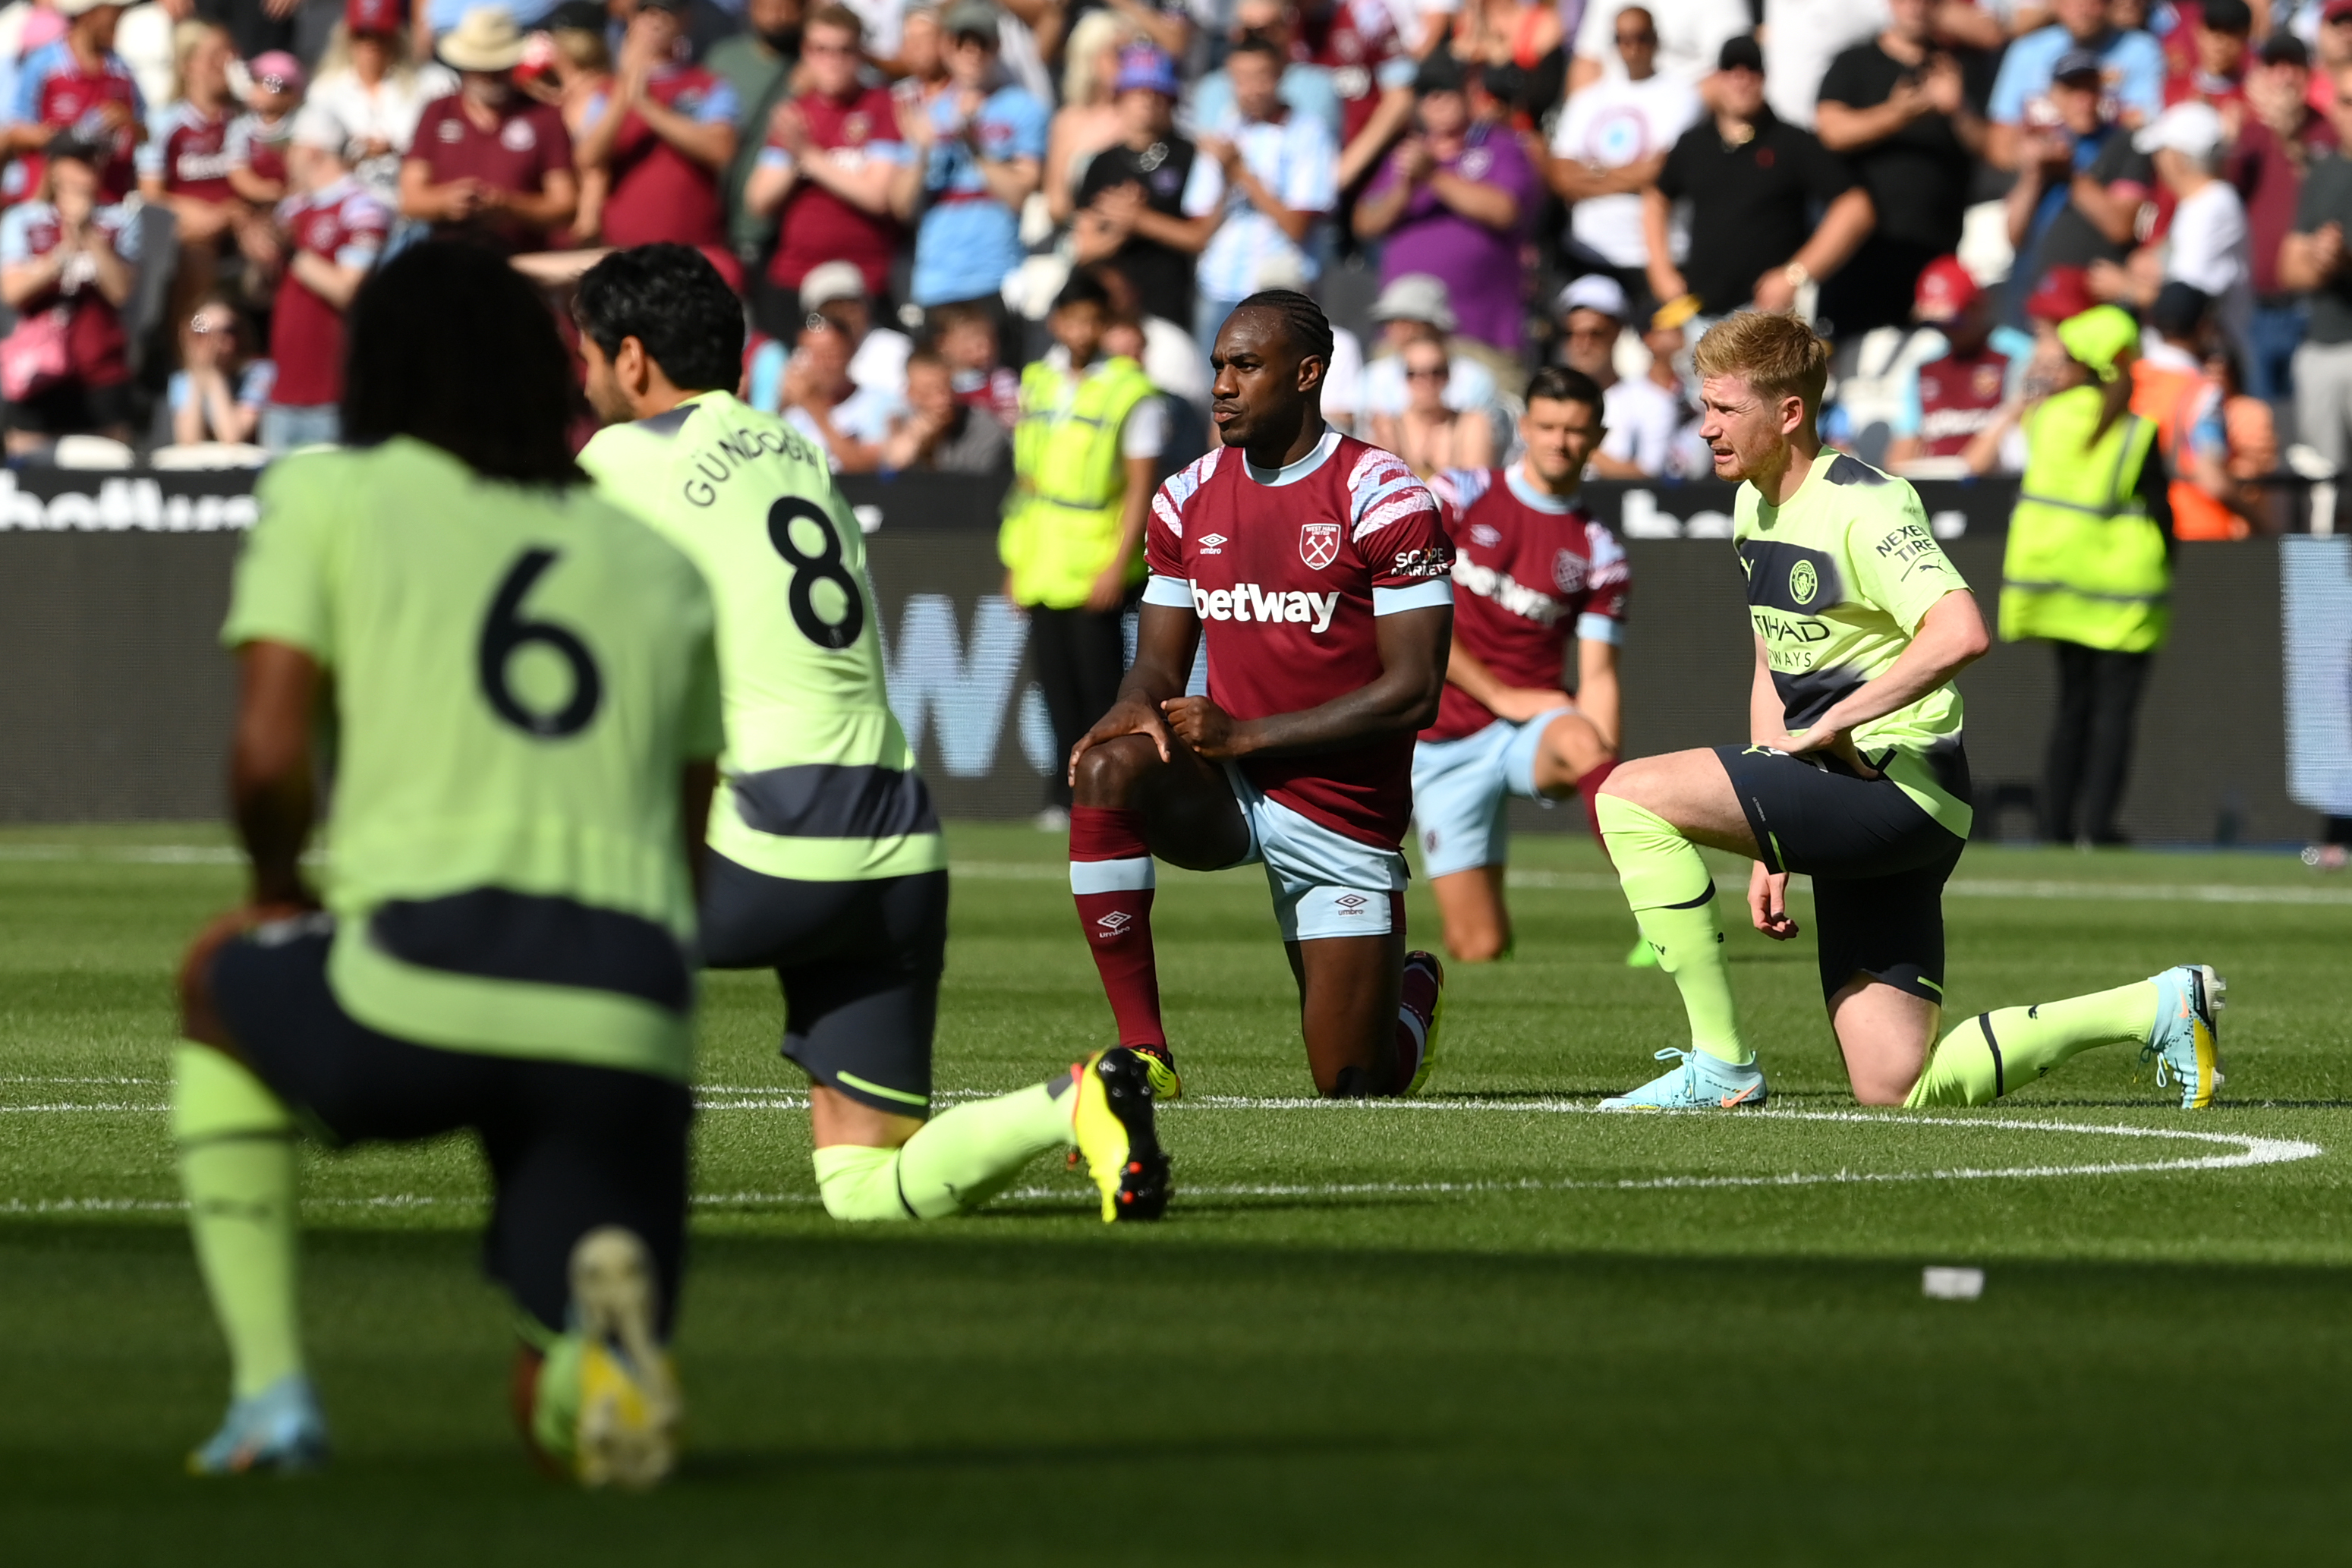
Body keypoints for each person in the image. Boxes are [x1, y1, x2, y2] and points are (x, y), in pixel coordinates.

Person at [172, 241, 724, 1485]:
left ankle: (272, 1399)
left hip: (415, 972)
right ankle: (587, 1346)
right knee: (554, 1394)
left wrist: (273, 895)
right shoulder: (661, 568)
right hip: (623, 1007)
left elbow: (267, 756)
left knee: (215, 978)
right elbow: (687, 838)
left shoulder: (328, 496)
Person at [571, 243, 1170, 1227]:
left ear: (631, 360)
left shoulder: (619, 459)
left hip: (773, 836)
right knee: (864, 1189)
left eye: (588, 354)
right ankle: (1078, 1102)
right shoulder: (794, 449)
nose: (585, 376)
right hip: (895, 845)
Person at [1588, 307, 2224, 1115]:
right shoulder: (1753, 503)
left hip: (1895, 789)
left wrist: (1834, 720)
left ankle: (1721, 1063)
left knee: (1628, 795)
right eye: (1704, 406)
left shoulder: (1865, 501)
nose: (1706, 426)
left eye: (1723, 408)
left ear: (1789, 413)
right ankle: (2158, 1005)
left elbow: (1961, 629)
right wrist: (1767, 847)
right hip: (1854, 797)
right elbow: (1770, 660)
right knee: (1895, 1086)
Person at [1065, 288, 1453, 1102]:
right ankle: (1146, 1053)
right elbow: (1158, 667)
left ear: (1307, 374)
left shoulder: (1383, 494)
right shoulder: (1185, 495)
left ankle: (1412, 991)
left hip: (1339, 810)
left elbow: (1414, 690)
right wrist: (1131, 703)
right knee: (1108, 769)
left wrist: (1247, 734)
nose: (1222, 386)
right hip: (1227, 790)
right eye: (1217, 367)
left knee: (1354, 1084)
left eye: (1246, 366)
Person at [1410, 366, 1628, 965]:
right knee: (1479, 946)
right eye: (1549, 426)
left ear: (1598, 437)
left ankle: (1649, 895)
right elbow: (1413, 625)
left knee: (1585, 739)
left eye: (1576, 430)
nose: (1560, 441)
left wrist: (1606, 769)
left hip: (1524, 732)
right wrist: (1500, 694)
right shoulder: (1455, 495)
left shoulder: (1599, 548)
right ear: (1526, 426)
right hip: (1439, 743)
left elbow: (1600, 675)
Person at [2000, 304, 2176, 849]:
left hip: (2054, 588)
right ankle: (2095, 829)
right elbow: (2162, 517)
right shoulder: (2133, 431)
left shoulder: (2045, 418)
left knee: (2070, 709)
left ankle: (2053, 827)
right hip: (2122, 593)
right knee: (2113, 717)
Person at [1001, 269, 1162, 825]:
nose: (1080, 330)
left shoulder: (1128, 389)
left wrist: (1119, 560)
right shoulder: (1037, 383)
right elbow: (1026, 482)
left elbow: (1140, 484)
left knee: (1099, 688)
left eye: (1092, 320)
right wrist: (1016, 559)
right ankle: (1060, 794)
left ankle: (1108, 789)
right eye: (1071, 319)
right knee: (1052, 686)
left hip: (1095, 553)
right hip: (1044, 555)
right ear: (1055, 322)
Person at [1644, 35, 1875, 327]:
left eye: (1751, 70)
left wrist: (1795, 273)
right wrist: (1661, 270)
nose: (1741, 80)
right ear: (1717, 78)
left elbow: (1856, 207)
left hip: (1765, 320)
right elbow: (1656, 198)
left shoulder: (1791, 142)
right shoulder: (1694, 144)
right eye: (1731, 71)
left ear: (1764, 78)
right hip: (1699, 314)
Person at [1812, 0, 1990, 339]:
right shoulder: (1855, 60)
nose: (1916, 7)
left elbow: (1992, 148)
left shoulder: (1958, 66)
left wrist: (1957, 109)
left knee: (1927, 364)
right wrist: (1898, 114)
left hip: (1936, 254)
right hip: (1863, 253)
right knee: (1853, 364)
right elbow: (1831, 130)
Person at [1350, 50, 1534, 357]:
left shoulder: (1501, 146)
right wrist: (1405, 188)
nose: (1437, 100)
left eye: (1446, 90)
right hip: (1403, 330)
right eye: (1427, 93)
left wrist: (1434, 176)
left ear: (1469, 93)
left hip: (1478, 331)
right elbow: (1365, 222)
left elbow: (1506, 210)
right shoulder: (1405, 157)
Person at [745, 4, 906, 342]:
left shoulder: (882, 106)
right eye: (821, 50)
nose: (832, 60)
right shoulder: (796, 113)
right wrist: (795, 159)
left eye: (844, 50)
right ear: (806, 52)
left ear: (861, 53)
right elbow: (759, 199)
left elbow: (878, 195)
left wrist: (808, 156)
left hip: (864, 280)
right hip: (795, 278)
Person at [1176, 35, 1338, 354]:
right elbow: (1200, 224)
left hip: (1278, 286)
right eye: (1241, 78)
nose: (1252, 88)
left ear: (1280, 75)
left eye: (1261, 76)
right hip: (1219, 284)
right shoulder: (1224, 131)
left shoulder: (1308, 133)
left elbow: (1297, 225)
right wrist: (1226, 181)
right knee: (1217, 392)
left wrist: (1240, 173)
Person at [892, 0, 1045, 314]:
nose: (972, 52)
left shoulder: (1024, 108)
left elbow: (1018, 195)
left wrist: (973, 146)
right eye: (962, 41)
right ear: (947, 47)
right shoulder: (924, 114)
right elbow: (901, 207)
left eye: (982, 43)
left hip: (997, 274)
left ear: (997, 47)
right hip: (936, 278)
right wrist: (921, 152)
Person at [1546, 4, 1697, 311]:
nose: (1632, 47)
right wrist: (1629, 176)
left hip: (1654, 257)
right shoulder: (1587, 99)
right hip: (1589, 253)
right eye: (1623, 39)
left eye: (1640, 37)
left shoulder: (1681, 96)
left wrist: (1591, 173)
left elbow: (1659, 170)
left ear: (1655, 40)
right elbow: (1560, 176)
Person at [573, 0, 738, 272]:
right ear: (630, 20)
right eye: (644, 10)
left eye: (666, 10)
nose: (655, 19)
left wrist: (648, 105)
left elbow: (721, 149)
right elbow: (587, 157)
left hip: (694, 249)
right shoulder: (605, 92)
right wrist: (626, 92)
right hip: (625, 253)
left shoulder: (709, 85)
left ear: (685, 19)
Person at [0, 133, 137, 456]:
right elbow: (13, 291)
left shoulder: (121, 220)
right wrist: (62, 254)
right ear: (56, 169)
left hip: (102, 369)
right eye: (79, 160)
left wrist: (87, 231)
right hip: (38, 372)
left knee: (109, 471)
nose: (91, 167)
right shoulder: (24, 220)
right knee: (31, 475)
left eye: (95, 158)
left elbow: (120, 291)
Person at [399, 7, 578, 254]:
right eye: (481, 68)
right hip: (449, 261)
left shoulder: (544, 116)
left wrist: (509, 207)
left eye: (498, 67)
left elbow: (566, 205)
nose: (490, 76)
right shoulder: (438, 111)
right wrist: (448, 202)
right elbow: (410, 198)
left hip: (521, 262)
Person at [262, 109, 389, 452]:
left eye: (290, 149)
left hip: (332, 393)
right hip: (283, 392)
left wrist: (291, 252)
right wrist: (258, 256)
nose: (285, 160)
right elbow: (264, 292)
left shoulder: (362, 208)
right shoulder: (291, 210)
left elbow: (347, 290)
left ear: (312, 151)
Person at [2097, 100, 2251, 365]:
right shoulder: (2199, 204)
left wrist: (2125, 287)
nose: (2158, 163)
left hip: (2204, 365)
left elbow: (2187, 303)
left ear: (2177, 158)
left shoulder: (2214, 206)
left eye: (2161, 153)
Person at [2231, 31, 2336, 405]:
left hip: (2311, 301)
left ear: (2309, 73)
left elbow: (2327, 194)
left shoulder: (2329, 128)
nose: (2285, 76)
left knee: (2311, 415)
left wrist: (2292, 138)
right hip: (2256, 303)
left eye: (2293, 65)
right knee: (2263, 412)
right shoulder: (2247, 131)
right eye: (2275, 65)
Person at [1069, 43, 1197, 338]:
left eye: (1157, 93)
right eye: (1139, 91)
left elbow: (1199, 236)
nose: (1148, 101)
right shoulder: (1102, 162)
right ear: (1120, 98)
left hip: (1171, 301)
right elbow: (1085, 247)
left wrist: (1140, 219)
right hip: (1111, 311)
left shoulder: (1188, 156)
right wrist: (1121, 230)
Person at [1881, 257, 2038, 471]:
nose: (1945, 330)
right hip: (1939, 487)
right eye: (1933, 323)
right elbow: (1901, 453)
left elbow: (2020, 431)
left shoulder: (2019, 354)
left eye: (1953, 320)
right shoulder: (1925, 368)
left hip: (1998, 484)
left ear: (1978, 307)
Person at [307, 0, 458, 210]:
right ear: (347, 36)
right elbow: (313, 159)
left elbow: (454, 147)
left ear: (398, 35)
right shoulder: (325, 89)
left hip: (417, 204)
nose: (372, 43)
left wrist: (397, 151)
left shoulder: (434, 83)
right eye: (362, 34)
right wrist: (355, 157)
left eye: (381, 34)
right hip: (350, 207)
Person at [1986, 0, 2167, 172]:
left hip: (2111, 177)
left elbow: (2144, 125)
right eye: (2072, 2)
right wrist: (2037, 156)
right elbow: (2000, 147)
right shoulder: (2027, 51)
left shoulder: (2142, 49)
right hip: (2037, 182)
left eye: (2092, 2)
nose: (2082, 10)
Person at [2132, 279, 2247, 540]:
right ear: (2204, 327)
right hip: (2197, 535)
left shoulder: (2128, 383)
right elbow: (2213, 480)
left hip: (2137, 532)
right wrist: (2259, 520)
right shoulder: (2204, 394)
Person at [2282, 61, 2352, 478]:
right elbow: (2289, 268)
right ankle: (2324, 549)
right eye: (2347, 102)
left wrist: (2343, 260)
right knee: (2321, 485)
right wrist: (2320, 260)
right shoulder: (2323, 173)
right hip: (2322, 346)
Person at [2, 0, 143, 205]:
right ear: (88, 14)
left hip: (111, 204)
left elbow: (146, 132)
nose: (119, 17)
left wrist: (126, 121)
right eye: (112, 11)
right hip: (49, 202)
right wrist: (73, 137)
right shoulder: (43, 64)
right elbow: (14, 131)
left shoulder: (122, 69)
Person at [704, 0, 803, 261]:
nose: (778, 13)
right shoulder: (723, 59)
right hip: (725, 208)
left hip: (786, 221)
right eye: (767, 6)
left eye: (786, 6)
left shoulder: (813, 63)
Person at [1554, 272, 1677, 478]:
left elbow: (1650, 478)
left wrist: (1573, 443)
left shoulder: (1654, 402)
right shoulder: (1546, 400)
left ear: (1618, 332)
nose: (1583, 345)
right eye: (1572, 334)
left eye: (1595, 333)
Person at [1370, 326, 1493, 475]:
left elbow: (1475, 487)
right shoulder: (1389, 426)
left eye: (1437, 372)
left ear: (1448, 376)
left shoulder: (1470, 423)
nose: (1427, 382)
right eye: (1415, 374)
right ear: (1405, 378)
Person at [885, 344, 1010, 470]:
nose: (942, 401)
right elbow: (890, 471)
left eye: (946, 389)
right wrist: (915, 437)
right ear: (910, 393)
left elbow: (973, 484)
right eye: (928, 392)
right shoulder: (901, 422)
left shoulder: (983, 427)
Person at [168, 297, 271, 445]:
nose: (215, 341)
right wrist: (198, 376)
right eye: (202, 331)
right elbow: (188, 441)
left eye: (227, 331)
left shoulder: (259, 373)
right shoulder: (182, 379)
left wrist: (213, 375)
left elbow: (232, 437)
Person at [224, 49, 304, 209]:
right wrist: (262, 190)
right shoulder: (241, 128)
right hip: (253, 205)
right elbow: (238, 172)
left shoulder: (301, 126)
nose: (261, 88)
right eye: (256, 81)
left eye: (272, 84)